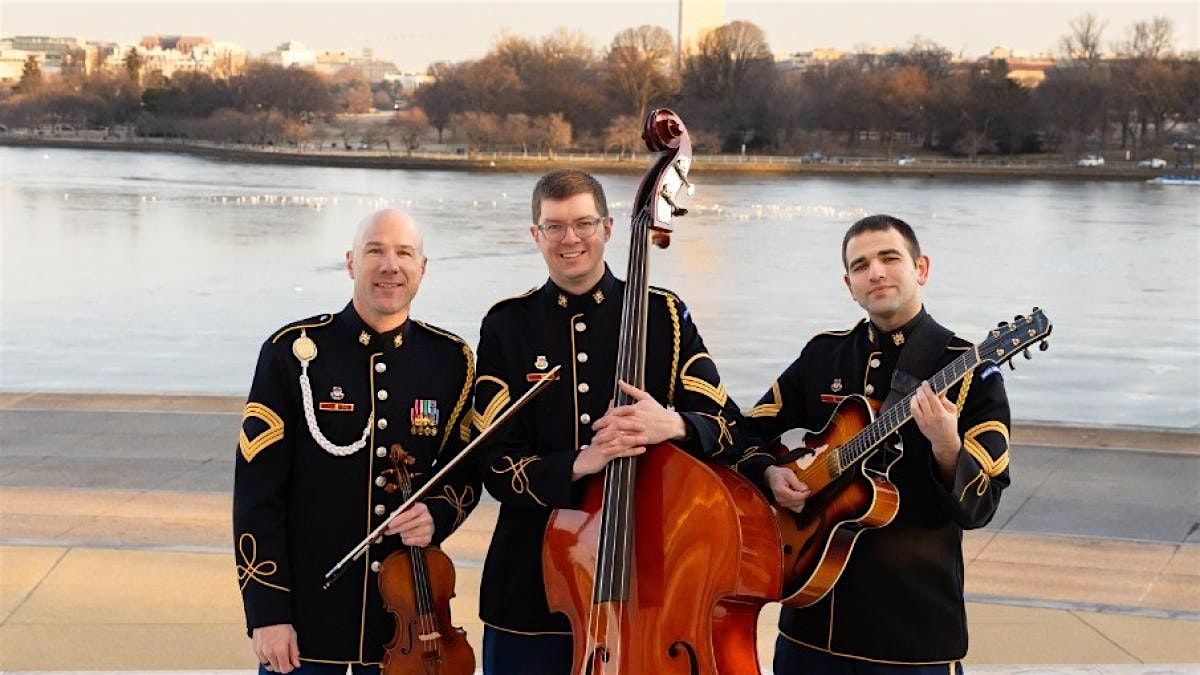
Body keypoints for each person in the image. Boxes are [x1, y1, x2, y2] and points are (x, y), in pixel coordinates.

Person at [467, 169, 746, 674]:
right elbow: (493, 461)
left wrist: (674, 425)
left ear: (610, 228)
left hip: (647, 576)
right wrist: (580, 462)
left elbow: (730, 429)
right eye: (554, 226)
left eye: (583, 223)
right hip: (531, 585)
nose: (570, 239)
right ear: (536, 235)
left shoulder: (664, 315)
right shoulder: (506, 325)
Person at [738, 214, 1012, 673]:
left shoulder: (972, 371)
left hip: (913, 637)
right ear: (849, 284)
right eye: (861, 265)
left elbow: (980, 509)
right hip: (810, 622)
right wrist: (769, 472)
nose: (876, 272)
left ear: (921, 268)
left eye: (889, 258)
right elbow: (749, 430)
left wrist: (947, 447)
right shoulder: (823, 354)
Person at [233, 209, 479, 674]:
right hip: (306, 630)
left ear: (422, 268)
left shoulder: (452, 361)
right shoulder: (291, 352)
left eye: (404, 253)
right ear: (350, 263)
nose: (391, 266)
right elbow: (256, 496)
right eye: (375, 251)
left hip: (407, 632)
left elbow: (465, 470)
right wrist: (267, 614)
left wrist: (439, 514)